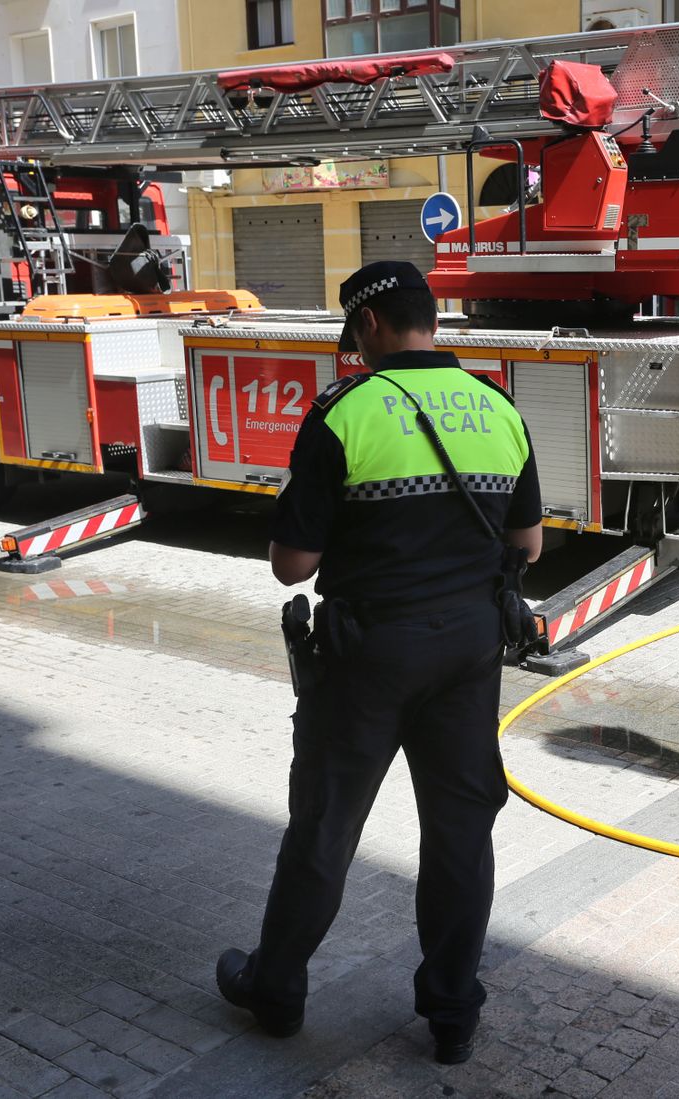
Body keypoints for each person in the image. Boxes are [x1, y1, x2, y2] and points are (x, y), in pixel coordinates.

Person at [216, 260, 544, 1065]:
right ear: (430, 319)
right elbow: (528, 544)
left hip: (367, 656)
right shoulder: (497, 407)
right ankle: (453, 1014)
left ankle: (277, 990)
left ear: (367, 325)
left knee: (326, 824)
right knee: (460, 833)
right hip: (469, 652)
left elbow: (292, 565)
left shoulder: (345, 412)